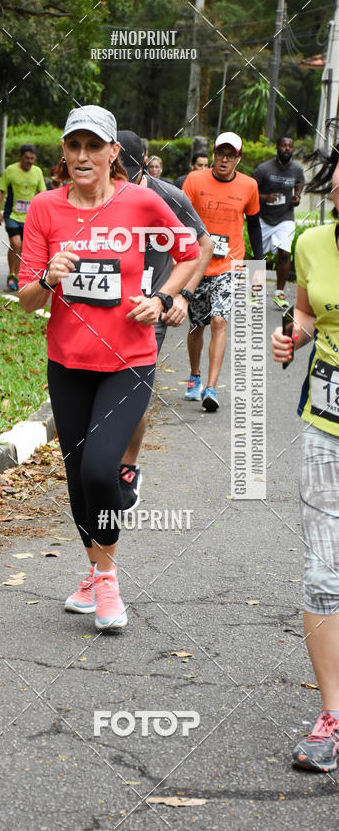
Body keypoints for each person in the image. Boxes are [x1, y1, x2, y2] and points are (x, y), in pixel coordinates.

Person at [18, 105, 200, 630]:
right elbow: (28, 300)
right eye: (73, 146)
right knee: (79, 479)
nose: (82, 156)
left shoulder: (142, 201)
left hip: (129, 360)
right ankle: (96, 574)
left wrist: (165, 297)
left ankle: (108, 579)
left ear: (112, 153)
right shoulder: (45, 210)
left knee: (101, 467)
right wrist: (50, 276)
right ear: (64, 152)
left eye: (93, 147)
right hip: (68, 363)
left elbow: (192, 251)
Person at [270, 142, 339, 772]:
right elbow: (307, 311)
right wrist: (292, 334)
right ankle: (332, 715)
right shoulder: (313, 242)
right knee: (323, 573)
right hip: (326, 422)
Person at [116, 130, 213, 509]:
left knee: (135, 389)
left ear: (143, 165)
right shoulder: (101, 193)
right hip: (105, 308)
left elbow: (202, 246)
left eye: (123, 169)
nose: (115, 178)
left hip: (152, 309)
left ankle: (128, 466)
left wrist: (183, 296)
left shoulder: (169, 197)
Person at [182, 131, 263, 411]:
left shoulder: (249, 186)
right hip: (198, 262)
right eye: (221, 153)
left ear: (238, 159)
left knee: (219, 321)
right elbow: (181, 219)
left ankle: (211, 388)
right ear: (214, 155)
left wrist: (258, 266)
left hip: (231, 262)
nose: (225, 159)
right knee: (197, 325)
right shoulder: (194, 181)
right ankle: (195, 376)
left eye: (231, 155)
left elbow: (253, 224)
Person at [252, 136, 305, 310]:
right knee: (258, 256)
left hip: (285, 217)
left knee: (284, 253)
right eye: (284, 145)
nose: (287, 149)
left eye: (290, 146)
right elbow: (250, 190)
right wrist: (265, 197)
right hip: (264, 218)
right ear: (277, 147)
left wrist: (297, 195)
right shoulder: (263, 169)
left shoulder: (296, 168)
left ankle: (279, 293)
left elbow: (300, 181)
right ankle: (254, 291)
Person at [0, 144, 46, 291]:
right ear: (20, 157)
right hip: (12, 214)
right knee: (16, 244)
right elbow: (0, 191)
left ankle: (17, 275)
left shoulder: (37, 172)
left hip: (30, 217)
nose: (29, 161)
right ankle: (12, 274)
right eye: (27, 158)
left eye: (32, 158)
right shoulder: (11, 170)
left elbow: (42, 194)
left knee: (23, 248)